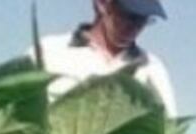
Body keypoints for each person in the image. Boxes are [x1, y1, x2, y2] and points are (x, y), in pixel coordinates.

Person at [32, 0, 177, 116]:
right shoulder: (49, 51)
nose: (136, 27)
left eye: (143, 20)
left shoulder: (152, 68)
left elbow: (168, 132)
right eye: (130, 16)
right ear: (101, 4)